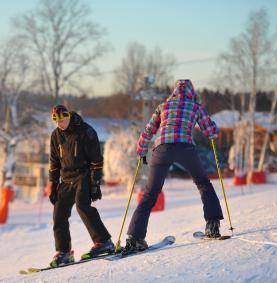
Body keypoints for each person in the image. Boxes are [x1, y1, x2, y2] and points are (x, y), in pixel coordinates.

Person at [123, 79, 224, 253]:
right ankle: (213, 226)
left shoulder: (163, 106)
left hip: (162, 149)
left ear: (174, 91)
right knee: (203, 184)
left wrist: (141, 150)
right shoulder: (195, 106)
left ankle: (135, 238)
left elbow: (148, 130)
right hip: (185, 148)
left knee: (150, 193)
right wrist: (213, 133)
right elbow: (211, 131)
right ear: (192, 92)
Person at [48, 105, 115, 267]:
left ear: (68, 116)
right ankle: (64, 252)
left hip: (83, 175)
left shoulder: (86, 131)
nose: (60, 124)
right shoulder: (56, 135)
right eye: (56, 122)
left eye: (62, 120)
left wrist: (95, 183)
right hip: (66, 179)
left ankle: (104, 242)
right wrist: (53, 184)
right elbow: (54, 162)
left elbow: (97, 161)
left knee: (82, 206)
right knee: (59, 213)